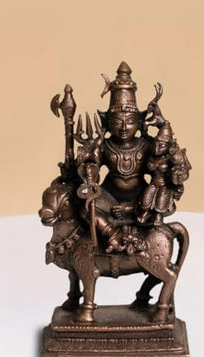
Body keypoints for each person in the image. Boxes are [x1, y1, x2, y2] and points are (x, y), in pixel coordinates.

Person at [77, 62, 190, 253]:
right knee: (86, 209)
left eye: (130, 122)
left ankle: (135, 222)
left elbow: (169, 161)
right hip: (110, 196)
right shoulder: (105, 146)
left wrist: (165, 127)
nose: (123, 128)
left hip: (140, 198)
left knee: (162, 204)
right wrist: (89, 168)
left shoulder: (146, 146)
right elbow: (92, 168)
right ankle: (112, 234)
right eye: (117, 122)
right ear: (107, 122)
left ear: (139, 122)